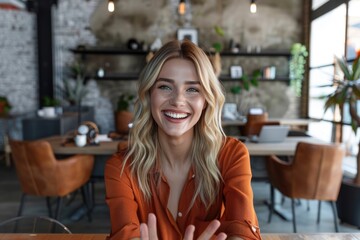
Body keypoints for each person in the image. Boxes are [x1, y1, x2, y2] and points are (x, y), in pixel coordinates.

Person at [105, 39, 262, 240]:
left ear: (206, 100)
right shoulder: (120, 167)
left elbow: (243, 230)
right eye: (164, 87)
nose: (178, 100)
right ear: (149, 94)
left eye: (192, 89)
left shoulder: (232, 155)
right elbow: (125, 234)